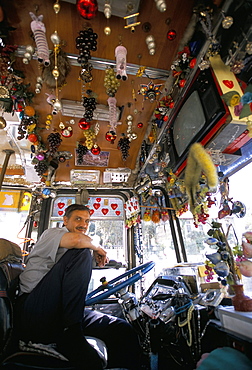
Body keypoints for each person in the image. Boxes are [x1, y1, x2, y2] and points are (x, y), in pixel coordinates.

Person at [14, 204, 141, 370]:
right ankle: (72, 333)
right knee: (82, 253)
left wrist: (92, 250)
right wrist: (96, 248)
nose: (83, 224)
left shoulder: (76, 246)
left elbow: (80, 244)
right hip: (33, 310)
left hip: (56, 312)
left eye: (87, 221)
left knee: (121, 329)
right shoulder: (53, 234)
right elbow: (77, 240)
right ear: (65, 220)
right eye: (78, 219)